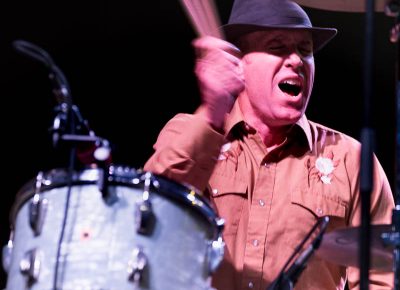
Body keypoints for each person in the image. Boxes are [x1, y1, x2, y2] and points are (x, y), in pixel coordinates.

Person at [144, 0, 395, 289]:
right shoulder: (189, 131)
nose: (297, 61)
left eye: (305, 50)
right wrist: (212, 111)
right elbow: (149, 216)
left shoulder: (351, 159)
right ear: (238, 62)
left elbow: (381, 277)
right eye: (277, 47)